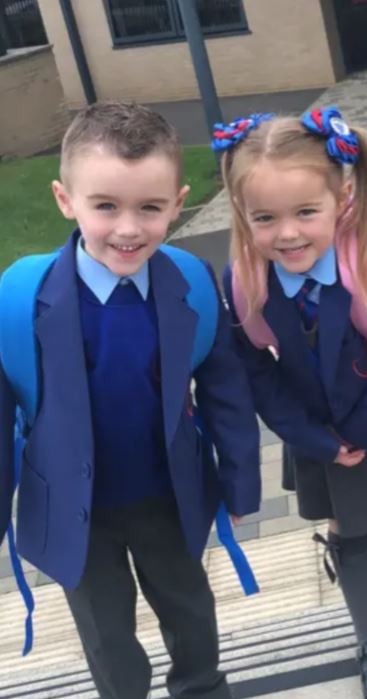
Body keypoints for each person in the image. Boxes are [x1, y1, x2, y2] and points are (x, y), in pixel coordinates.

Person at [0, 102, 261, 699]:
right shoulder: (21, 297)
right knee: (105, 632)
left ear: (179, 201)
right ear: (66, 200)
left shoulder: (190, 281)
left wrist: (242, 481)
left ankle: (201, 688)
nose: (128, 228)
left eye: (150, 207)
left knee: (190, 607)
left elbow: (224, 388)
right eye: (105, 206)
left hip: (166, 493)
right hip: (72, 504)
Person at [219, 107, 367, 699]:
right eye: (265, 218)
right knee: (349, 529)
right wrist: (318, 441)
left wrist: (355, 434)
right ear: (242, 215)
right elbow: (256, 373)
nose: (287, 233)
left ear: (342, 197)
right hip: (320, 430)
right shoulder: (245, 279)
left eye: (305, 212)